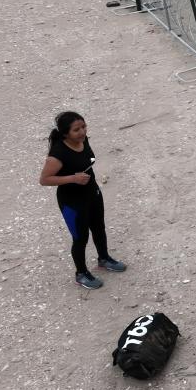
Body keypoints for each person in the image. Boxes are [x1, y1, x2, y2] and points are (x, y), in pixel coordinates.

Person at [39, 111, 126, 290]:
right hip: (72, 203)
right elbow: (44, 180)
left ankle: (104, 258)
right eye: (76, 130)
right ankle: (81, 274)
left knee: (99, 228)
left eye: (84, 127)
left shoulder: (83, 140)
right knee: (80, 238)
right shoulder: (57, 155)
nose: (82, 132)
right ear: (65, 133)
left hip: (92, 194)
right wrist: (72, 178)